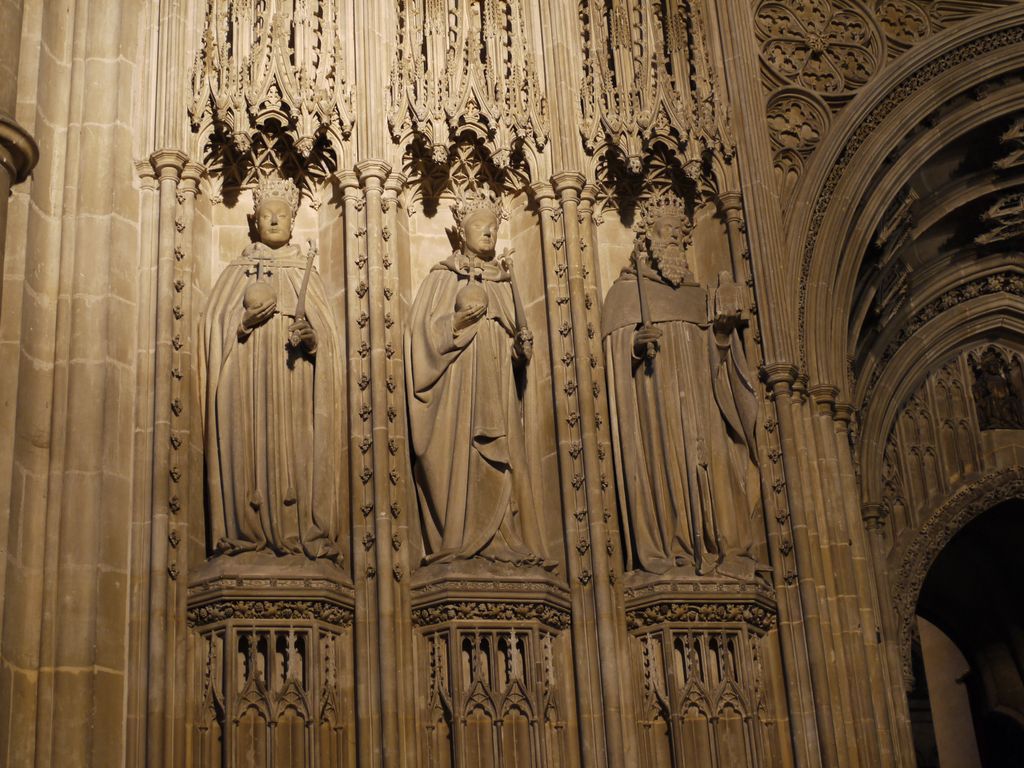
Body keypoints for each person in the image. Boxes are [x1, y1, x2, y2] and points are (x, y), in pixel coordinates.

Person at [603, 193, 762, 577]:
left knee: (713, 469)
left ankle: (719, 547)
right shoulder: (626, 293)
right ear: (647, 239)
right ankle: (674, 547)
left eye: (679, 234)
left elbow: (717, 364)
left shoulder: (696, 296)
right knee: (668, 471)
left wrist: (722, 334)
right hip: (657, 408)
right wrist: (635, 346)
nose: (673, 240)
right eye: (666, 232)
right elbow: (613, 365)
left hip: (703, 408)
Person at [199, 175, 344, 561]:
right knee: (248, 449)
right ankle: (246, 533)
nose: (275, 220)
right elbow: (214, 329)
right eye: (267, 215)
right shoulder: (236, 272)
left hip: (294, 379)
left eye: (282, 214)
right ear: (255, 222)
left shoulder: (304, 272)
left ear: (294, 220)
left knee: (296, 454)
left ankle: (299, 534)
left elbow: (329, 341)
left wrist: (312, 340)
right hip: (247, 380)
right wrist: (243, 323)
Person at [405, 189, 547, 567]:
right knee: (464, 461)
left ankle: (504, 538)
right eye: (479, 225)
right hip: (458, 398)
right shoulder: (442, 278)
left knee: (503, 462)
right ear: (460, 231)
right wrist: (454, 324)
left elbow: (517, 351)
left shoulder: (503, 282)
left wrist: (521, 352)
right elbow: (421, 338)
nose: (488, 232)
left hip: (497, 392)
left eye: (493, 226)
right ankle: (463, 534)